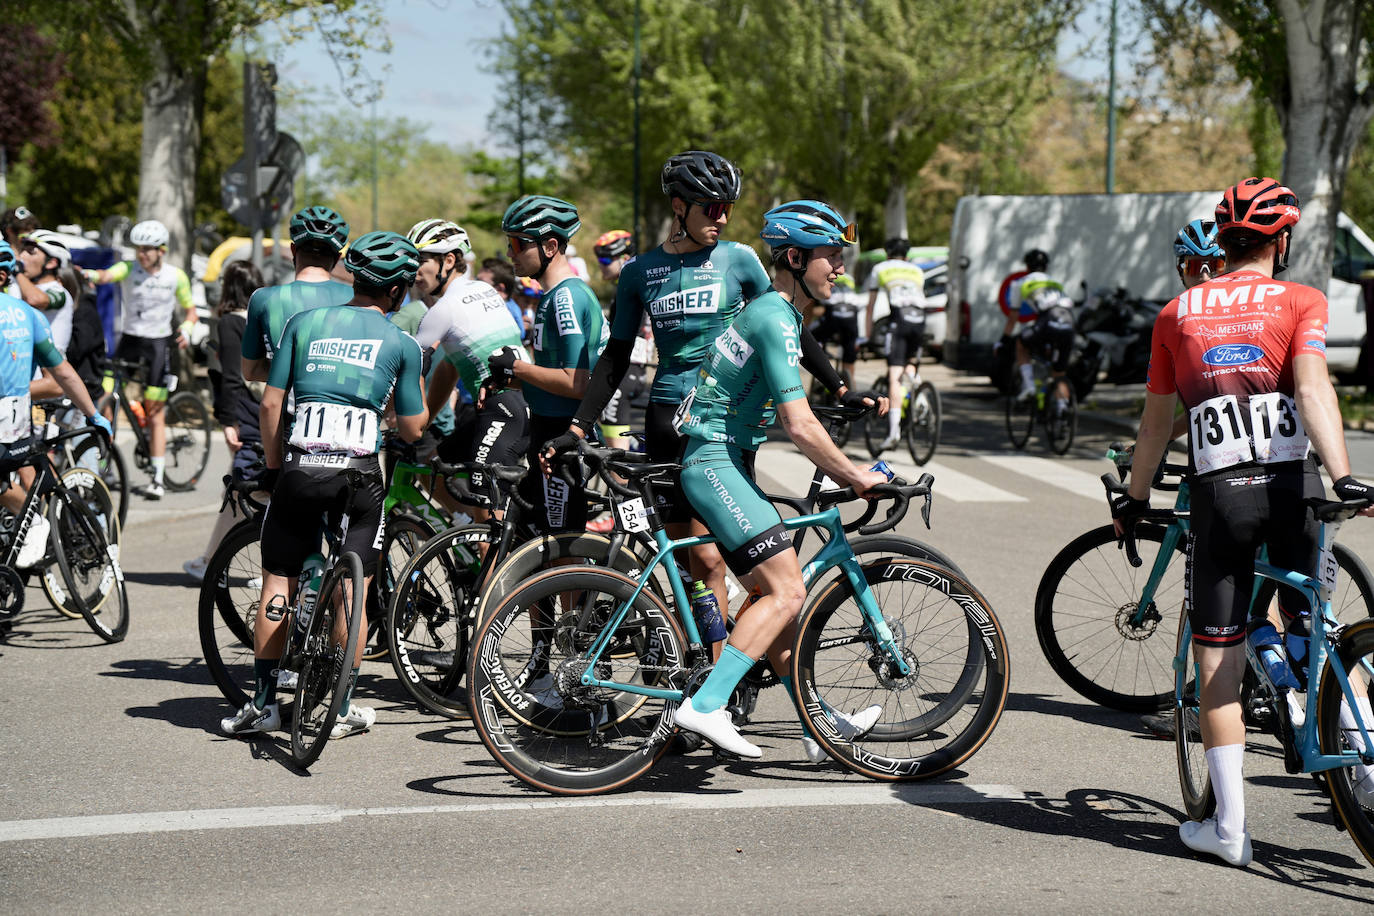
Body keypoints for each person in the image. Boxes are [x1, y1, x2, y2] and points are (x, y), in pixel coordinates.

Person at [1113, 177, 1374, 867]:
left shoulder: (1177, 313)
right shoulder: (1301, 300)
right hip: (1296, 488)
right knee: (1313, 623)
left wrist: (1135, 498)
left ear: (1221, 242)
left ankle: (1229, 831)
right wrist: (1343, 474)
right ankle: (1361, 758)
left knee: (1218, 659)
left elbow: (1156, 425)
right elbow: (1314, 390)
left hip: (1220, 500)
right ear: (1281, 240)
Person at [544, 152, 876, 649]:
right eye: (710, 208)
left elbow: (786, 320)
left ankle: (722, 682)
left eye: (727, 208)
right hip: (665, 421)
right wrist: (576, 427)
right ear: (679, 207)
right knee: (691, 562)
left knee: (722, 557)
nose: (721, 218)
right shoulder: (640, 272)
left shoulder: (738, 259)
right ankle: (698, 672)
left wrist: (840, 386)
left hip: (723, 419)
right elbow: (614, 356)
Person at [671, 199, 889, 759]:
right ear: (794, 257)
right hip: (714, 461)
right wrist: (854, 475)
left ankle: (822, 726)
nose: (839, 266)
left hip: (725, 461)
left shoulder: (777, 313)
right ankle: (703, 706)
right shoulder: (773, 316)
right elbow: (798, 422)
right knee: (790, 590)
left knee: (773, 594)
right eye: (830, 256)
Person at [221, 231, 428, 739]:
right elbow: (414, 427)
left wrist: (273, 469)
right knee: (353, 592)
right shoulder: (402, 343)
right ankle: (340, 707)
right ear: (398, 293)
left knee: (278, 580)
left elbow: (270, 404)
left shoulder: (302, 323)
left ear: (353, 277)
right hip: (358, 478)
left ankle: (265, 703)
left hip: (297, 467)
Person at [489, 195, 602, 534]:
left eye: (516, 243)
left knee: (561, 550)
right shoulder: (552, 297)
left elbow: (575, 382)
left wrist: (518, 367)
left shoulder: (566, 297)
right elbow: (554, 376)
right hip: (545, 428)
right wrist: (508, 379)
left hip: (561, 435)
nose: (509, 252)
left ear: (550, 245)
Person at [408, 217, 530, 520]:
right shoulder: (483, 290)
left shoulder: (443, 310)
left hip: (502, 409)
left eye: (420, 260)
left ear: (448, 260)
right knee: (431, 468)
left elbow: (409, 369)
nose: (414, 270)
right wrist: (426, 421)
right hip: (516, 404)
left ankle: (482, 545)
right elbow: (448, 368)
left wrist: (403, 421)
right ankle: (466, 531)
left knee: (489, 522)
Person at [0, 272, 112, 574]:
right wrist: (94, 414)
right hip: (18, 416)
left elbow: (60, 376)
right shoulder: (29, 314)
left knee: (17, 482)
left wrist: (93, 414)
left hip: (14, 420)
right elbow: (63, 373)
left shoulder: (28, 310)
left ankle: (33, 522)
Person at [84, 219, 196, 499]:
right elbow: (105, 276)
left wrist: (187, 328)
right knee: (105, 398)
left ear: (161, 250)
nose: (141, 254)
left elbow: (191, 311)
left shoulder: (175, 276)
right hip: (130, 341)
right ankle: (103, 465)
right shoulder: (128, 268)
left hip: (159, 344)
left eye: (147, 249)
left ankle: (157, 478)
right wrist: (85, 274)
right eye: (138, 249)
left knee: (155, 411)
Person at [183, 260, 265, 580]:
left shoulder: (230, 323)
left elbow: (233, 375)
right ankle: (211, 560)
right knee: (239, 491)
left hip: (246, 411)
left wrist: (230, 421)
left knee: (250, 490)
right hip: (270, 408)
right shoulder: (266, 317)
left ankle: (268, 567)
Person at [865, 237, 927, 451]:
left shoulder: (880, 268)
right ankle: (915, 382)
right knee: (909, 365)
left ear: (887, 253)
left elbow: (871, 305)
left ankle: (893, 432)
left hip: (899, 320)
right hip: (920, 319)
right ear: (907, 255)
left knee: (894, 376)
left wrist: (866, 336)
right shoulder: (917, 271)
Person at [1009, 253, 1076, 411]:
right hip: (1069, 321)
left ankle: (1029, 387)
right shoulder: (1055, 282)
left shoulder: (1020, 283)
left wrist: (1003, 340)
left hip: (1047, 321)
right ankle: (1062, 410)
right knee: (1059, 374)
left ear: (1027, 268)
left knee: (1021, 343)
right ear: (1046, 267)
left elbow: (1013, 318)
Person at [15, 230, 79, 353]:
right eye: (22, 250)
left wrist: (17, 271)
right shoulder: (22, 286)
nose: (22, 256)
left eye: (30, 252)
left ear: (51, 263)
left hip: (50, 369)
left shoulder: (59, 291)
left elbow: (35, 299)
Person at [815, 272, 860, 383]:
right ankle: (849, 382)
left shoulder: (824, 275)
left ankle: (821, 365)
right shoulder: (850, 277)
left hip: (833, 312)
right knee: (849, 347)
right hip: (851, 313)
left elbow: (816, 304)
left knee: (814, 336)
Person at [476, 256, 526, 333]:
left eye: (480, 283)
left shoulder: (509, 313)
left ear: (500, 289)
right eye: (475, 280)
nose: (473, 285)